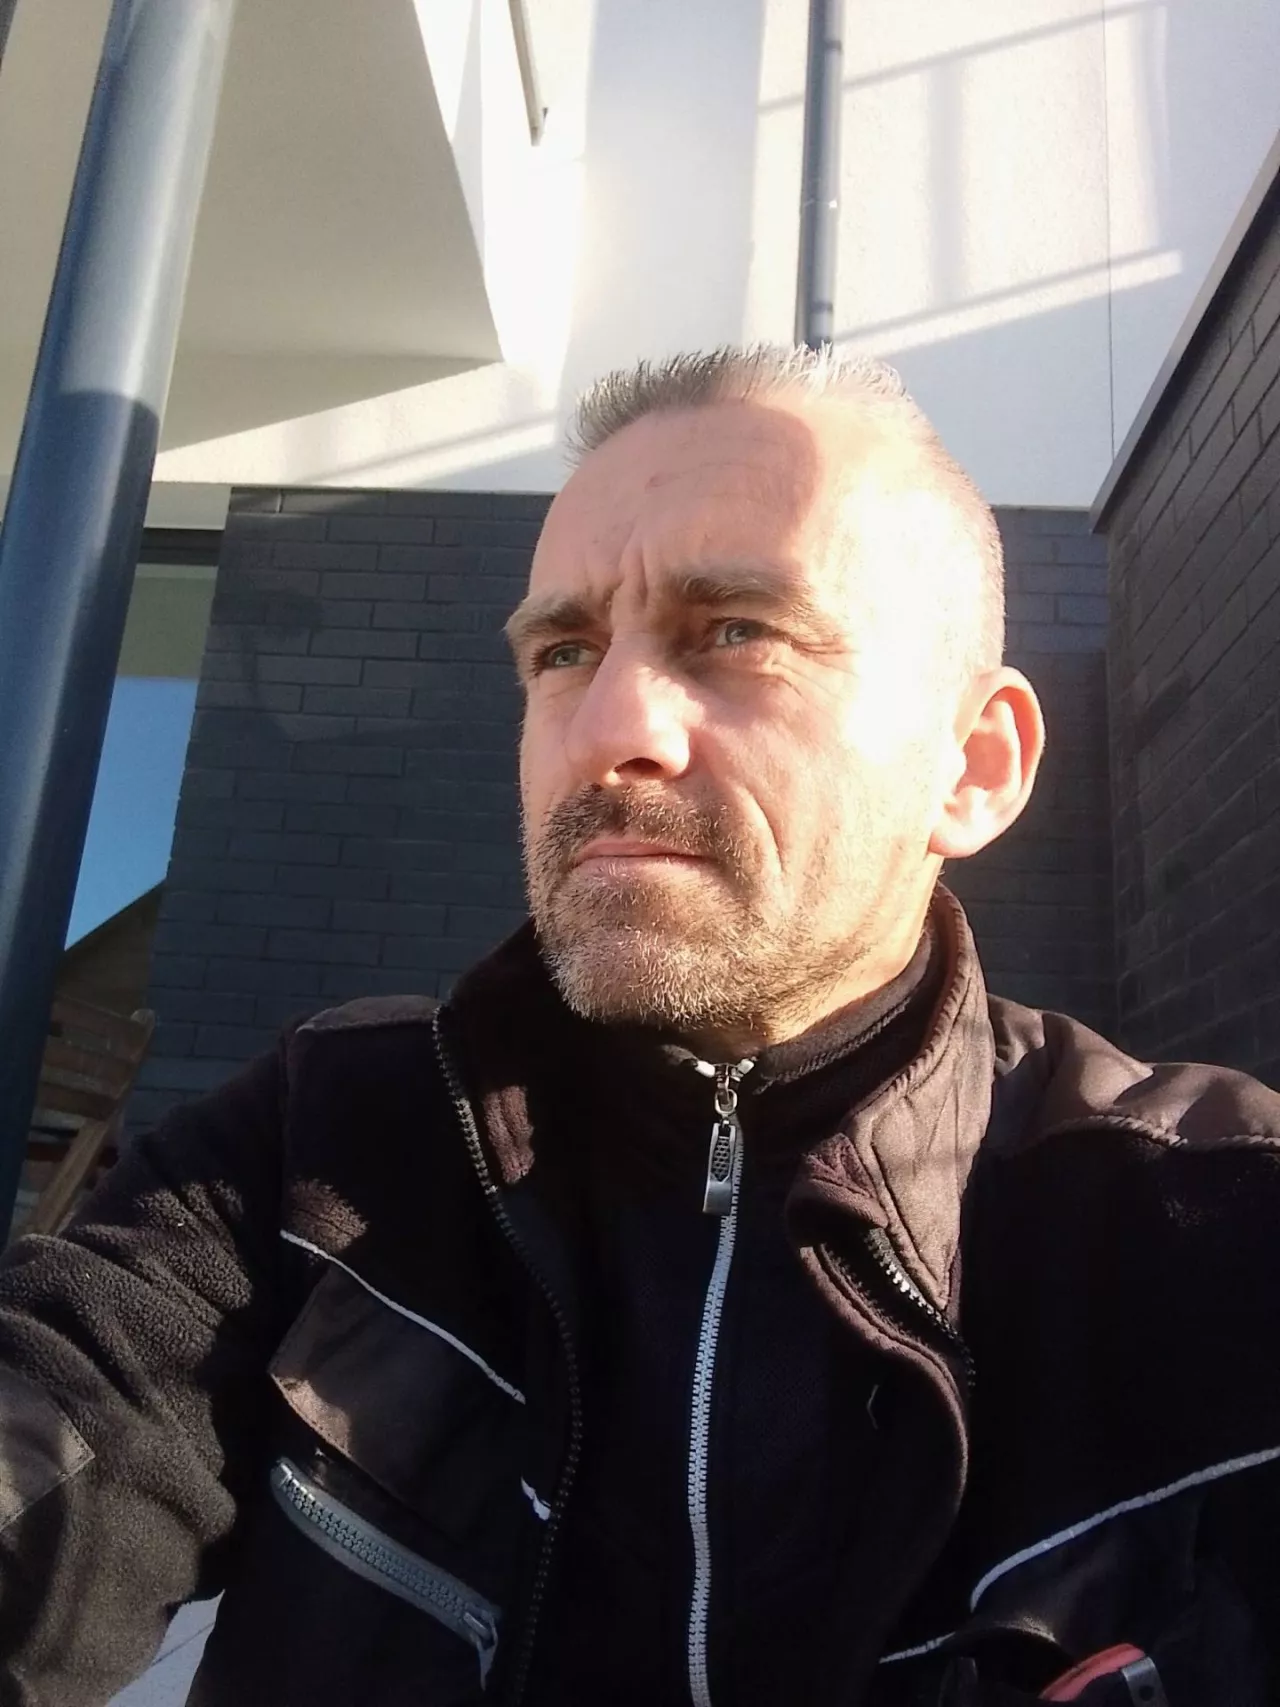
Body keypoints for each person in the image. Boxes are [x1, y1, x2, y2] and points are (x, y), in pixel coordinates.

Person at [1, 345, 1279, 1707]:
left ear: (973, 766)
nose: (608, 727)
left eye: (737, 631)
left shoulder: (1208, 1225)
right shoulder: (329, 1144)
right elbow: (57, 1427)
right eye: (563, 651)